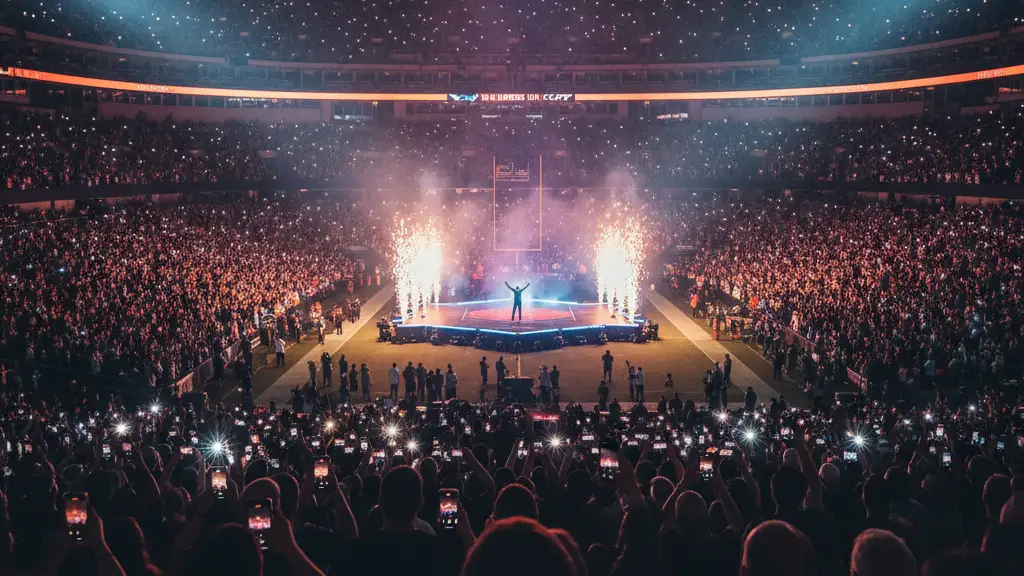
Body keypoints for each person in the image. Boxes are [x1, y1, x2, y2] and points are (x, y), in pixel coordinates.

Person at [334, 466, 457, 576]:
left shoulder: (355, 551)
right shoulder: (442, 551)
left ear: (380, 501)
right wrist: (462, 532)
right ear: (420, 503)